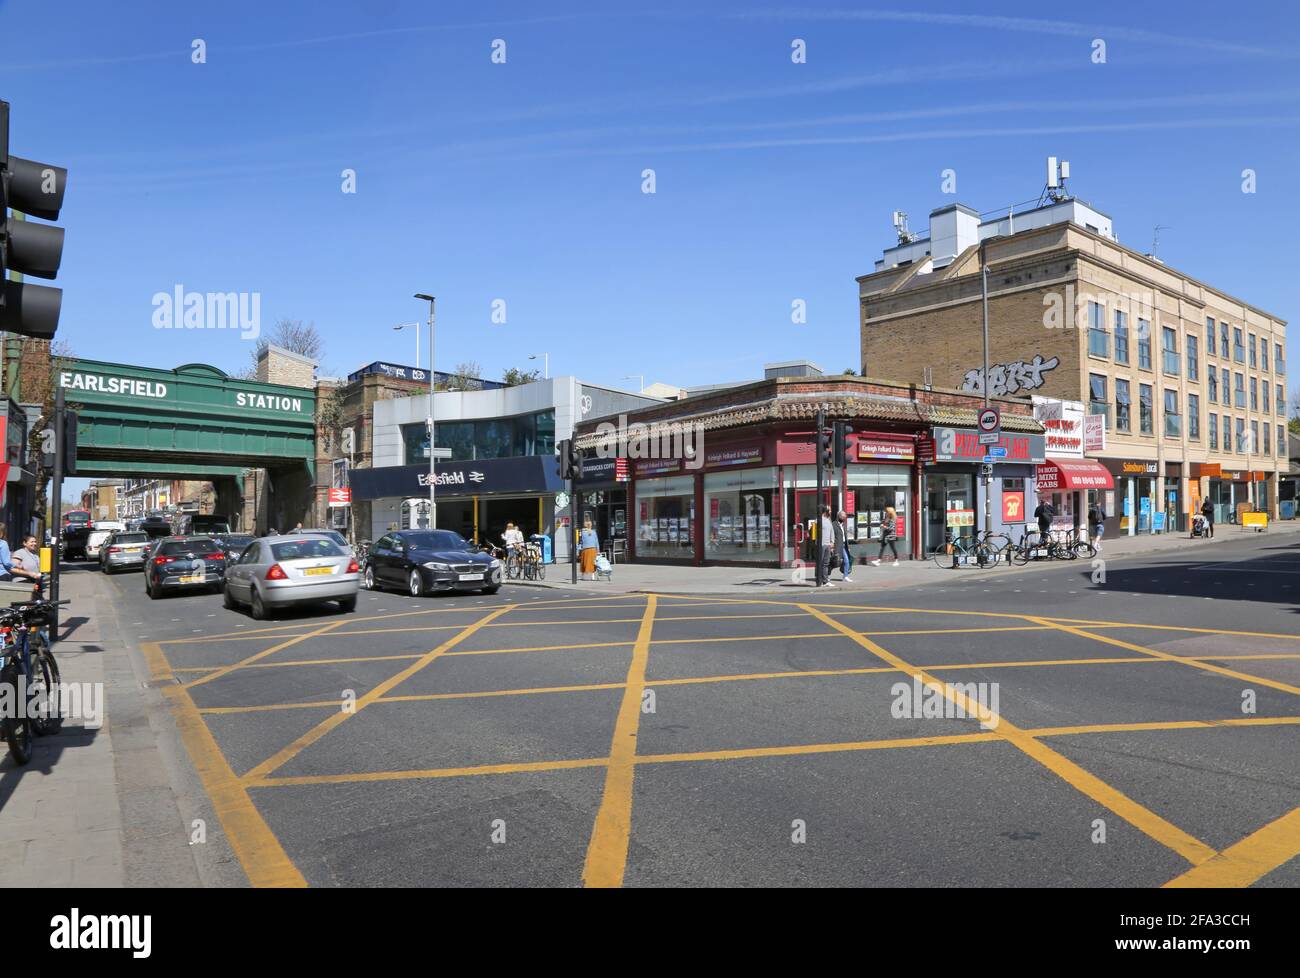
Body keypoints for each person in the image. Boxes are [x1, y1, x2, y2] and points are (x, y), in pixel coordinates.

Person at [818, 505, 837, 587]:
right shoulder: (818, 520)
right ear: (825, 511)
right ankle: (819, 580)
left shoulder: (828, 521)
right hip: (821, 545)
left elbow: (831, 531)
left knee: (826, 563)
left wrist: (832, 542)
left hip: (828, 545)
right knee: (820, 563)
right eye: (829, 510)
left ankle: (825, 581)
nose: (830, 512)